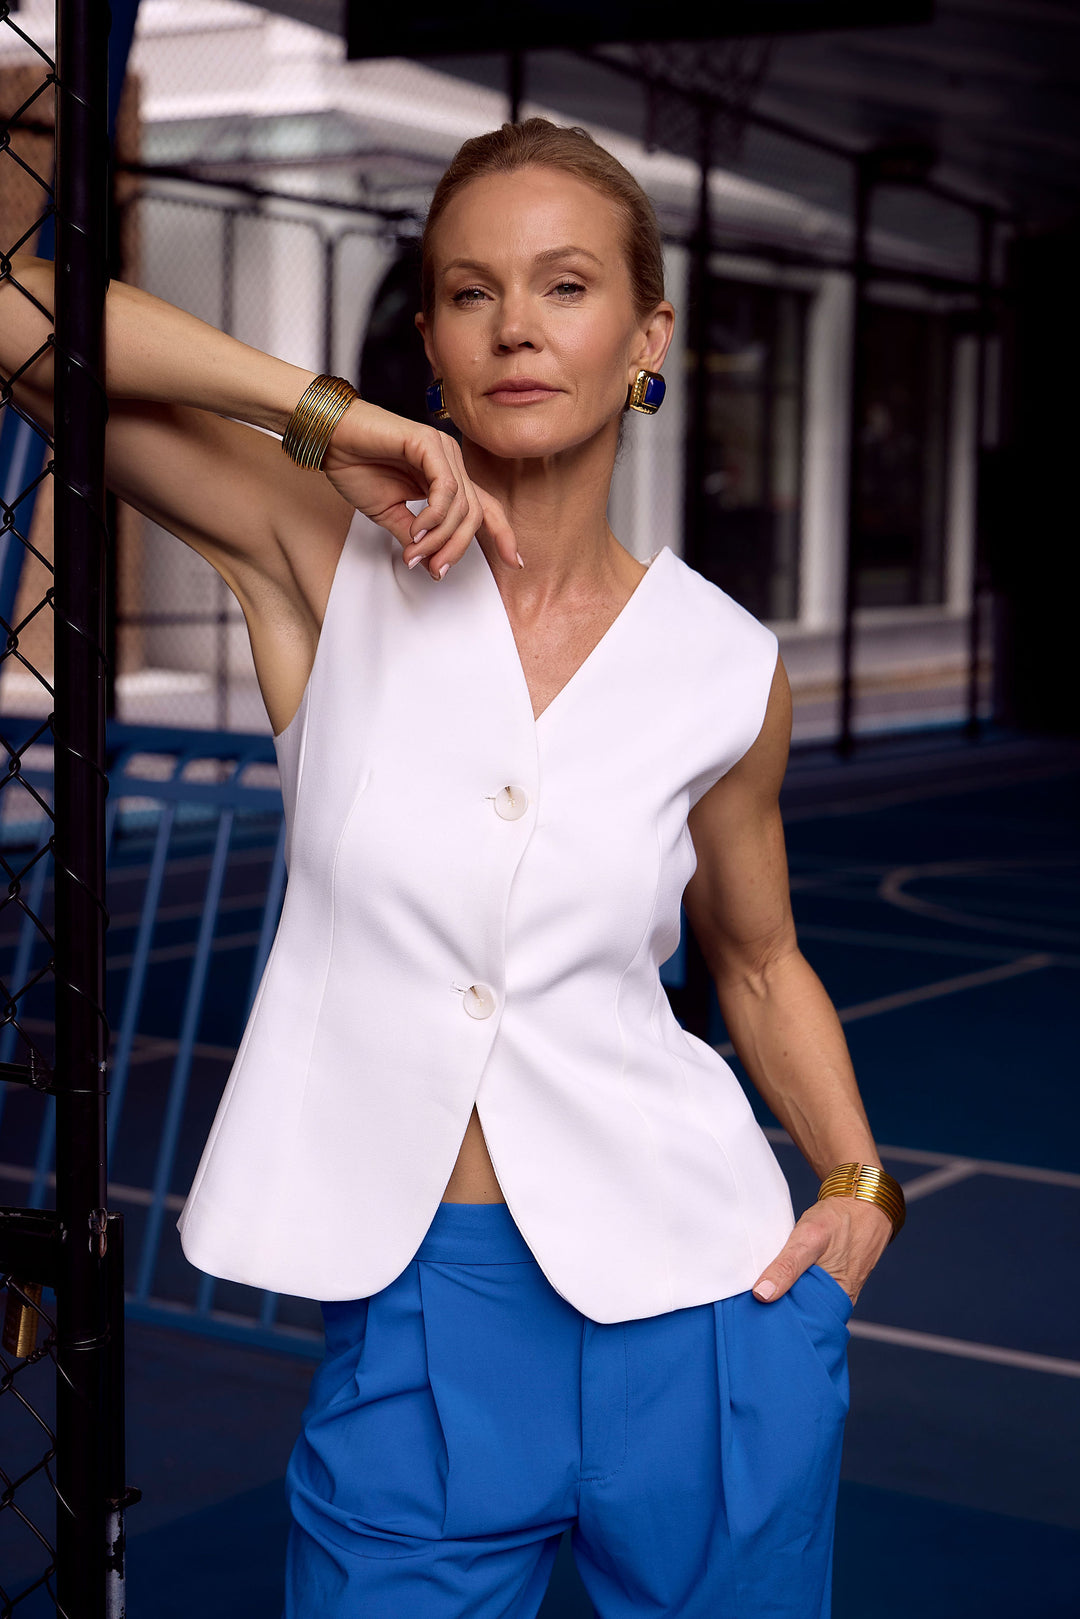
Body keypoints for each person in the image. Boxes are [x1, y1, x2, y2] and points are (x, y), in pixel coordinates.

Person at [1, 118, 905, 1618]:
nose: (518, 328)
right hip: (425, 1313)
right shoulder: (316, 550)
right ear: (429, 334)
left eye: (565, 286)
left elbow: (755, 959)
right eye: (471, 291)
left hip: (708, 1315)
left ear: (645, 334)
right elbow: (22, 316)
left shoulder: (728, 666)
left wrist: (860, 1181)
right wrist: (322, 417)